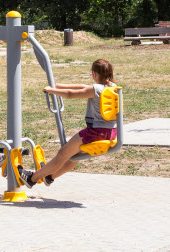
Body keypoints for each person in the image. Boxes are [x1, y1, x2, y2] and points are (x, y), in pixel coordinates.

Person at [19, 59, 117, 188]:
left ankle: (32, 178)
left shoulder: (96, 90)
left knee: (63, 154)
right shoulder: (113, 87)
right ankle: (50, 177)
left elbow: (71, 95)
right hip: (111, 132)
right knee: (74, 155)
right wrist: (60, 86)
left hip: (96, 132)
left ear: (94, 74)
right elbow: (83, 86)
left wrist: (52, 90)